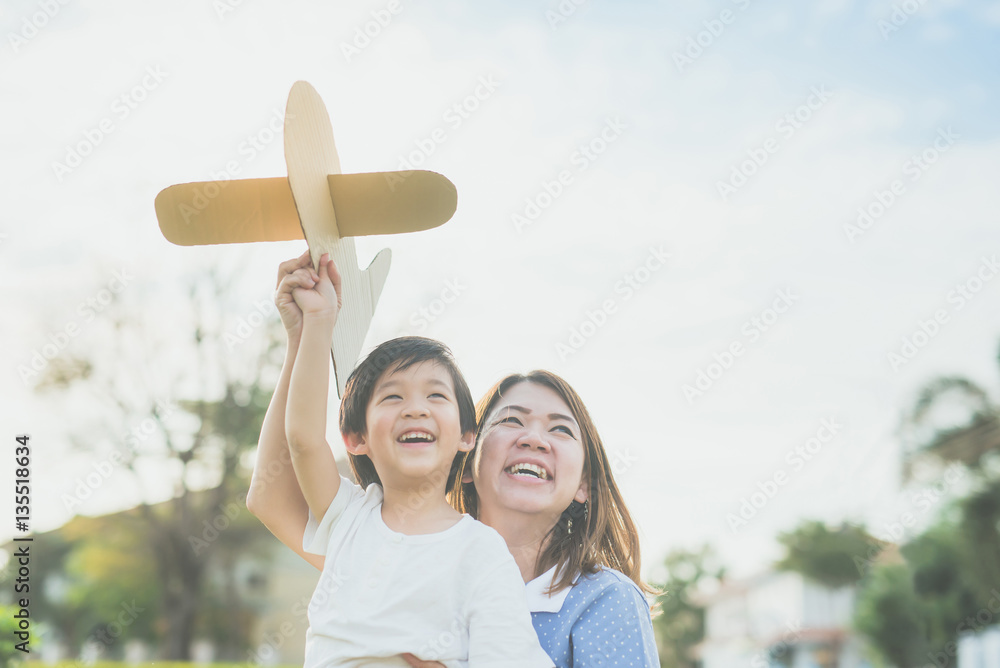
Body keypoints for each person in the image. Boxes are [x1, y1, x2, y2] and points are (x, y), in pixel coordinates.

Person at [247, 250, 553, 667]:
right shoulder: (349, 518)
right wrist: (314, 326)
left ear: (467, 435)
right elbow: (301, 438)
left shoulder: (481, 551)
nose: (416, 408)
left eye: (436, 395)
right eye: (393, 396)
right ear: (355, 438)